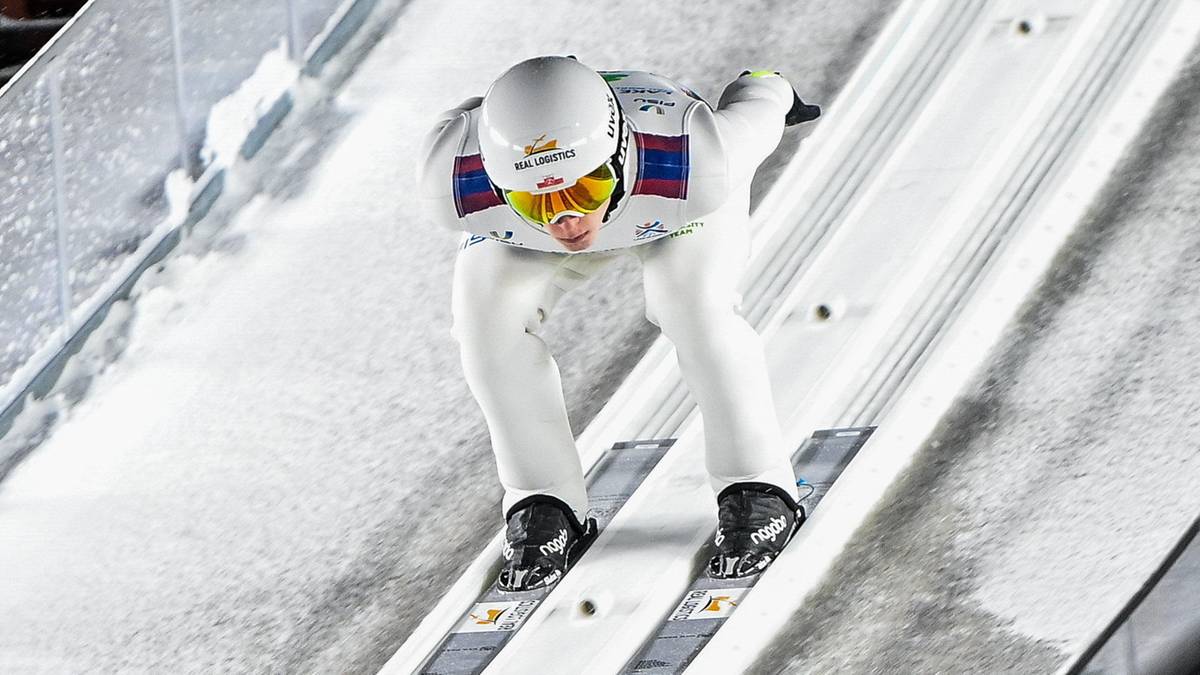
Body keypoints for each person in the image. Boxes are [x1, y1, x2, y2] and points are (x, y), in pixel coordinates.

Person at [418, 55, 820, 591]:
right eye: (536, 201)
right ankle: (541, 495)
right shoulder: (453, 181)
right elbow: (472, 120)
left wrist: (768, 89)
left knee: (694, 308)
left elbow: (758, 112)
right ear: (496, 183)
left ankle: (758, 482)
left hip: (671, 209)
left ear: (621, 156)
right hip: (615, 206)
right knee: (484, 326)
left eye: (583, 191)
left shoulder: (695, 157)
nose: (567, 222)